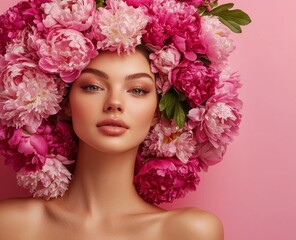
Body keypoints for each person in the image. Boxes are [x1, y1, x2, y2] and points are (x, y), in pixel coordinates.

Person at [0, 0, 250, 239]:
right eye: (93, 87)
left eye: (138, 90)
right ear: (64, 102)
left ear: (156, 113)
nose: (114, 103)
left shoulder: (189, 232)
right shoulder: (10, 225)